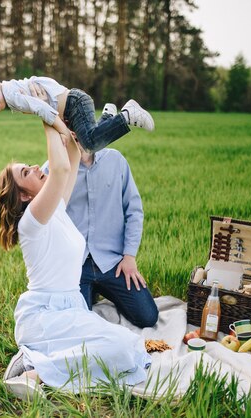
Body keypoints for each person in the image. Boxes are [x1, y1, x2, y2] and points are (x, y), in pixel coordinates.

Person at [0, 122, 151, 400]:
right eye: (26, 172)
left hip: (70, 308)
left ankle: (33, 361)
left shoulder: (56, 209)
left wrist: (72, 130)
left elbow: (74, 158)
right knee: (121, 350)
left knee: (129, 345)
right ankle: (33, 371)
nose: (35, 167)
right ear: (24, 196)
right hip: (45, 315)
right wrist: (49, 120)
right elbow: (61, 169)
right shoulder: (32, 221)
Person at [42, 103, 159, 328]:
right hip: (75, 265)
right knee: (79, 326)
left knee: (147, 317)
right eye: (68, 130)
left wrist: (129, 257)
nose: (74, 135)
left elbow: (134, 211)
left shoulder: (116, 161)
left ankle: (98, 288)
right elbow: (45, 222)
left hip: (114, 262)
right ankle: (90, 290)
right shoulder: (53, 169)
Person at [0, 74, 154, 154]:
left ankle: (127, 115)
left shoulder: (11, 95)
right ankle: (108, 116)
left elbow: (43, 109)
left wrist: (63, 131)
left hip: (73, 104)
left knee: (89, 144)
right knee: (88, 141)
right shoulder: (11, 89)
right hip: (73, 103)